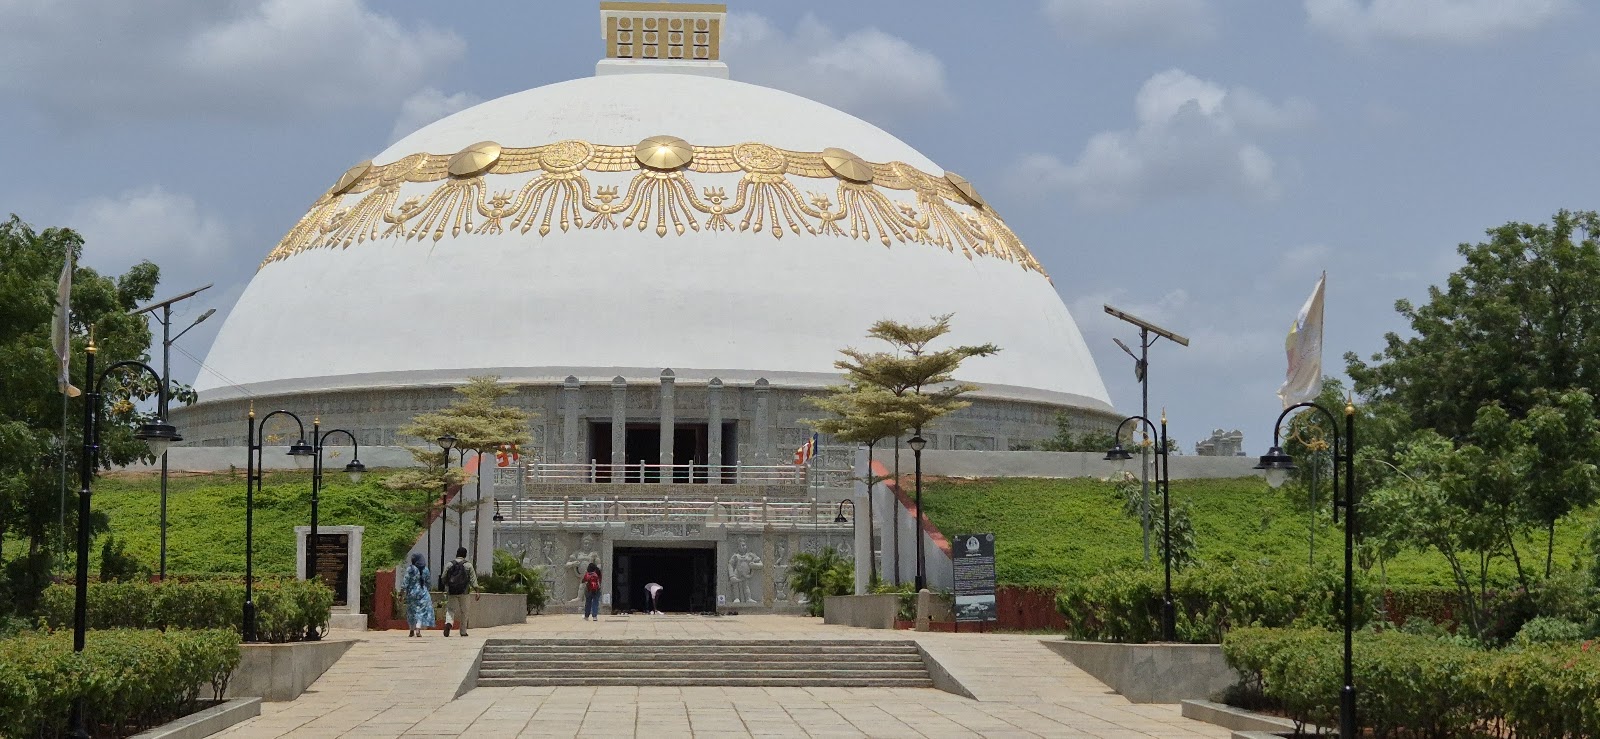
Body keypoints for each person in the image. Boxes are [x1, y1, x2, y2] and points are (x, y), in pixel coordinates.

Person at [442, 546, 477, 637]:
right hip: (464, 592)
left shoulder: (449, 564)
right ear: (465, 555)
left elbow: (443, 577)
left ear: (457, 554)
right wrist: (477, 590)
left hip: (452, 591)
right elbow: (473, 580)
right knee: (464, 611)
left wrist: (448, 586)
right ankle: (463, 631)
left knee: (450, 609)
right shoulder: (468, 565)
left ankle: (449, 623)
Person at [401, 552, 432, 637]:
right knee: (421, 611)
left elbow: (405, 581)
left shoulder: (410, 569)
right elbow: (428, 582)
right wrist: (427, 590)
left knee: (411, 611)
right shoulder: (425, 569)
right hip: (423, 593)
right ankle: (418, 628)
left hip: (411, 593)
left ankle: (411, 629)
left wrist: (401, 593)